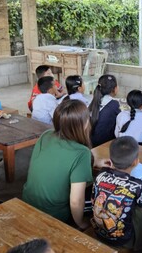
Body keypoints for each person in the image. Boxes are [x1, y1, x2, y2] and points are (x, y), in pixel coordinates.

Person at [23, 99, 93, 230]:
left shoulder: (46, 135)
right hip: (54, 214)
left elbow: (57, 161)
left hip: (28, 202)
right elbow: (75, 201)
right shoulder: (82, 153)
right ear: (83, 124)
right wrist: (80, 223)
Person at [92, 136, 142, 249]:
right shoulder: (136, 185)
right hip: (123, 239)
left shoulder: (100, 175)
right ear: (136, 162)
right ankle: (139, 243)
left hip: (98, 231)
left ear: (110, 160)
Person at [89, 75, 120, 147]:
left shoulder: (93, 101)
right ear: (115, 89)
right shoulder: (114, 104)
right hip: (104, 143)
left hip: (90, 141)